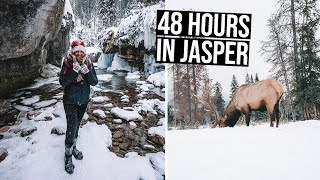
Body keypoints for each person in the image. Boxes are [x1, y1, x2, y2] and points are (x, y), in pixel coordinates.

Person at [59, 40, 98, 174]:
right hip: (70, 101)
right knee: (72, 126)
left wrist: (86, 72)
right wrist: (74, 71)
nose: (79, 53)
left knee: (77, 125)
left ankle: (73, 147)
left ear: (84, 52)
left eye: (81, 51)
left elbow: (94, 82)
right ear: (73, 52)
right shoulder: (67, 63)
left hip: (83, 100)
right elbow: (63, 82)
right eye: (77, 51)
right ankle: (68, 156)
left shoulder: (89, 63)